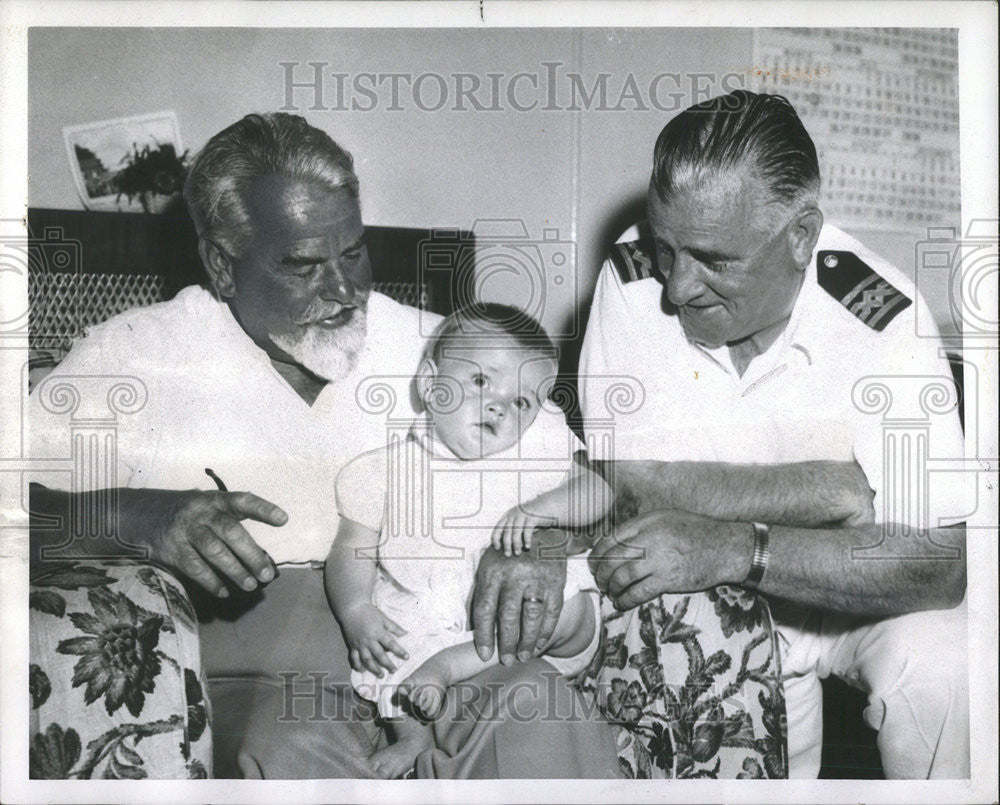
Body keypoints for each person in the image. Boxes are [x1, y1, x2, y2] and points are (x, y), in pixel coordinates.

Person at [28, 112, 619, 778]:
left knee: (542, 717)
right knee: (291, 752)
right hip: (264, 670)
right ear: (223, 265)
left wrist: (545, 546)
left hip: (441, 649)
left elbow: (579, 479)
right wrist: (129, 516)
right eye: (305, 266)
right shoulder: (135, 358)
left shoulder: (444, 351)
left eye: (353, 252)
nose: (345, 292)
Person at [579, 90, 969, 778]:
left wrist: (739, 545)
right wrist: (833, 489)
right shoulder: (631, 278)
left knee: (947, 669)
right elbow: (627, 481)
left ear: (800, 235)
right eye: (666, 249)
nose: (676, 287)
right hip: (695, 596)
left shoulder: (886, 320)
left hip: (845, 605)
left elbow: (937, 563)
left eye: (711, 259)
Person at [327, 303, 611, 778]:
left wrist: (541, 509)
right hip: (424, 607)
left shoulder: (538, 451)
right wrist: (355, 608)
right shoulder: (382, 470)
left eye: (522, 401)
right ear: (430, 383)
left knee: (567, 602)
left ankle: (446, 668)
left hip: (513, 624)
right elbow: (351, 547)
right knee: (389, 645)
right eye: (481, 381)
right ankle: (414, 737)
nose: (500, 405)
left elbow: (600, 491)